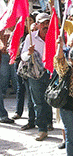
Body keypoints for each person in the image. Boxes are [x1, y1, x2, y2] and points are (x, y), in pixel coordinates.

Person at [20, 13, 52, 141]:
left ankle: (50, 122)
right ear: (37, 25)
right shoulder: (30, 37)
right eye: (42, 23)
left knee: (52, 100)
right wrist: (29, 52)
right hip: (36, 73)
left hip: (52, 73)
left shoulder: (55, 36)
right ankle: (42, 129)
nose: (45, 25)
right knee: (38, 102)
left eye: (47, 23)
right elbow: (23, 56)